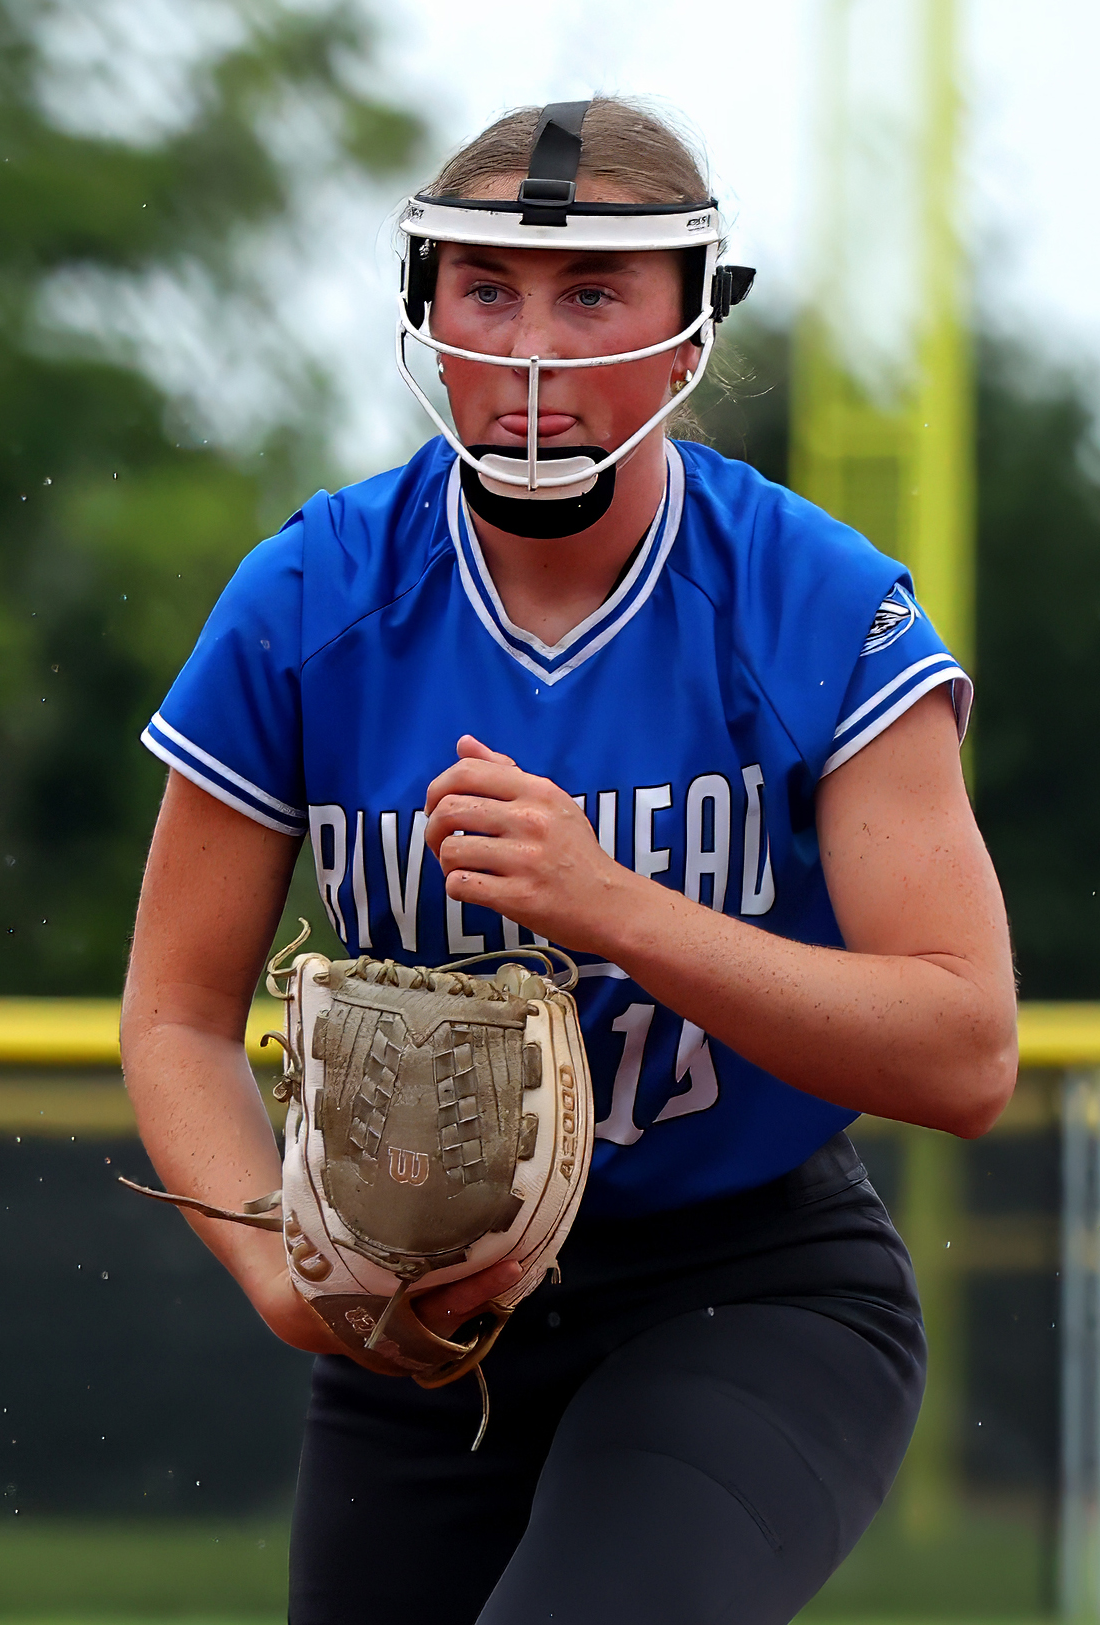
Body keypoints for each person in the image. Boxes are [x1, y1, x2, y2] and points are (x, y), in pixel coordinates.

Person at [120, 97, 1018, 1625]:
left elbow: (965, 1046)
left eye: (594, 291)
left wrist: (610, 903)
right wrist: (284, 1260)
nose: (533, 349)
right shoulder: (315, 595)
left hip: (743, 1283)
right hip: (420, 1301)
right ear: (428, 315)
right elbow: (178, 1016)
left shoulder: (811, 598)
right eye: (489, 289)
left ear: (690, 331)